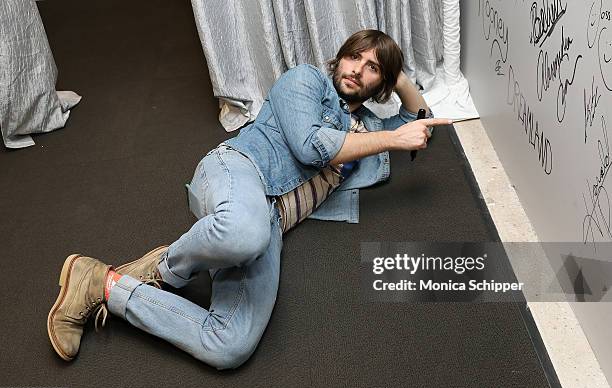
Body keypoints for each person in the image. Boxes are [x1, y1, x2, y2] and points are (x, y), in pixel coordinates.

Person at [47, 29, 451, 369]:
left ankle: (103, 283)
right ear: (340, 58)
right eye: (354, 58)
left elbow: (419, 122)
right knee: (243, 232)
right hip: (239, 169)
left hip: (271, 221)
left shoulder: (367, 127)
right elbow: (312, 148)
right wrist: (392, 137)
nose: (357, 70)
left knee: (230, 346)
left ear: (380, 84)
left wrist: (398, 78)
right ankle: (161, 270)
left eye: (372, 68)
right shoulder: (306, 81)